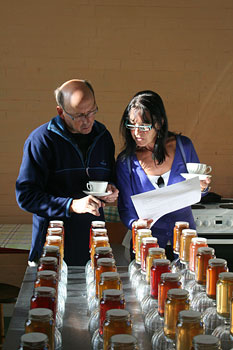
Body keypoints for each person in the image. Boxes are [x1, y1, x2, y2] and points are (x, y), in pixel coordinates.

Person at [16, 79, 119, 266]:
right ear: (60, 112)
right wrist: (72, 205)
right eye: (79, 115)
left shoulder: (103, 137)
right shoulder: (41, 141)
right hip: (53, 245)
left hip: (95, 242)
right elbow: (26, 196)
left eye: (91, 112)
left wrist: (111, 189)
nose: (87, 121)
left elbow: (109, 177)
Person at [116, 90, 211, 261]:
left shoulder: (183, 147)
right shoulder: (126, 162)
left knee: (188, 283)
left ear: (159, 123)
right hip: (147, 241)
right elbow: (125, 207)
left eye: (144, 126)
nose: (137, 133)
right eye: (132, 125)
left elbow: (198, 190)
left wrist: (203, 187)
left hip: (185, 237)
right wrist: (134, 224)